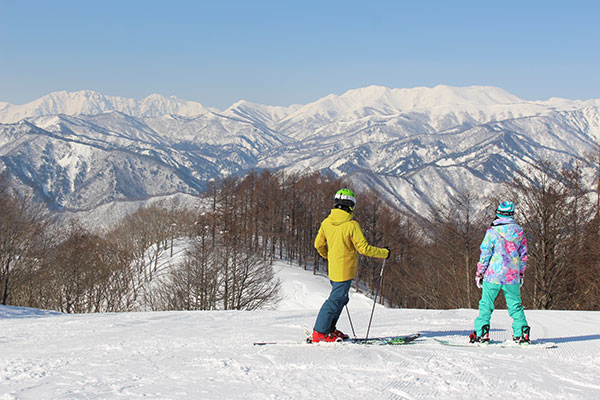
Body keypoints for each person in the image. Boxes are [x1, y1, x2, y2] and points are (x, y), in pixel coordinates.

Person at [312, 188, 390, 343]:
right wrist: (384, 253)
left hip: (333, 269)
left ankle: (329, 330)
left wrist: (328, 256)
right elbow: (364, 249)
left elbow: (318, 244)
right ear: (351, 205)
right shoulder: (351, 225)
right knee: (335, 300)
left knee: (340, 299)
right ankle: (320, 332)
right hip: (345, 269)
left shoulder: (327, 222)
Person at [470, 201, 530, 344]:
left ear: (498, 213)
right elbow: (523, 254)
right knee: (515, 305)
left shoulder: (492, 232)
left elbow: (485, 254)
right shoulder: (519, 231)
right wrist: (521, 273)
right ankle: (522, 332)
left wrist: (479, 273)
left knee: (486, 304)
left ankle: (482, 332)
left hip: (493, 275)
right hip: (512, 276)